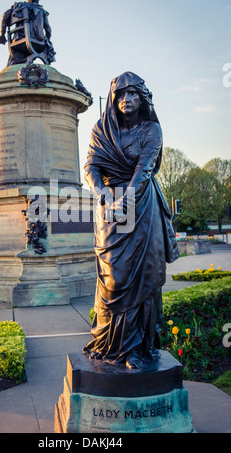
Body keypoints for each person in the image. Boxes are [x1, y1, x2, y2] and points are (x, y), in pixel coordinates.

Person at [82, 72, 179, 369]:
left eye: (133, 94)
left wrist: (126, 200)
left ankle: (136, 348)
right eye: (121, 95)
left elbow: (144, 168)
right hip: (109, 206)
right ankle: (109, 343)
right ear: (113, 99)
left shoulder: (151, 129)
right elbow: (91, 165)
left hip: (141, 204)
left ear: (142, 98)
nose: (127, 99)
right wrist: (102, 193)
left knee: (143, 277)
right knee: (114, 279)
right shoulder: (101, 129)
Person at [0, 0, 56, 65]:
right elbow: (48, 28)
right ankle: (46, 67)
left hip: (18, 39)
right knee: (48, 44)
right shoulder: (41, 11)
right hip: (37, 40)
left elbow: (5, 16)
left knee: (14, 58)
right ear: (37, 1)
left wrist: (2, 34)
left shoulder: (19, 7)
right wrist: (48, 39)